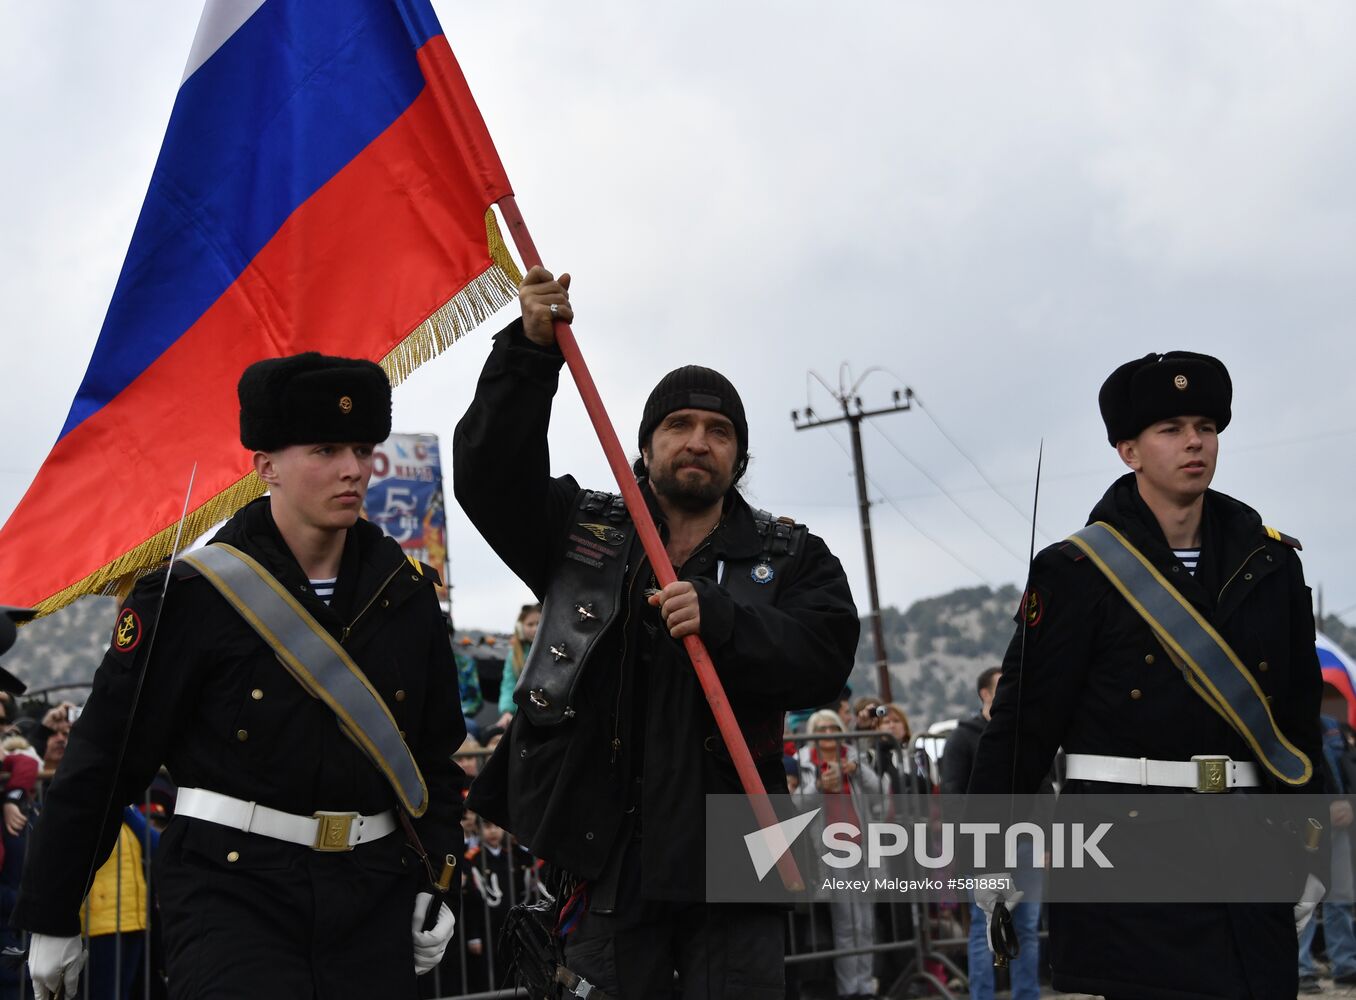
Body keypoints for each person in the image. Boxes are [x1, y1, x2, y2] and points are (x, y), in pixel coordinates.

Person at [453, 266, 860, 998]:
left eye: (718, 430)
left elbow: (826, 659)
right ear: (643, 448)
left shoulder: (792, 554)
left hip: (744, 847)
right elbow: (490, 477)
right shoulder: (584, 533)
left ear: (739, 457)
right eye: (678, 425)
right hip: (606, 845)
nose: (698, 441)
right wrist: (528, 352)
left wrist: (727, 622)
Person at [15, 353, 465, 999]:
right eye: (326, 448)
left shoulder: (408, 593)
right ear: (266, 467)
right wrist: (52, 913)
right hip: (231, 894)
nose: (353, 470)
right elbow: (105, 757)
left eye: (364, 449)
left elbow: (434, 758)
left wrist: (437, 880)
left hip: (373, 895)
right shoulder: (190, 595)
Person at [967, 351, 1324, 999]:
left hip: (1249, 848)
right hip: (1131, 857)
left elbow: (1299, 721)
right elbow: (1025, 724)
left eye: (1206, 426)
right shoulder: (1077, 571)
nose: (1195, 442)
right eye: (1171, 429)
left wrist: (1312, 845)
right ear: (1127, 449)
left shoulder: (1270, 562)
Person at [944, 667, 1041, 1000]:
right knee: (985, 926)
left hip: (1027, 845)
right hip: (986, 846)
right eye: (1003, 685)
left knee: (1027, 929)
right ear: (985, 693)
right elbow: (952, 793)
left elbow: (1043, 788)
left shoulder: (1024, 735)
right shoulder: (964, 737)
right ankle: (981, 996)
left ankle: (1026, 996)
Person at [795, 709, 882, 1000]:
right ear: (812, 732)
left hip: (862, 847)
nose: (829, 735)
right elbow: (797, 806)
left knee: (866, 923)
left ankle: (866, 984)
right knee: (847, 924)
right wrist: (819, 786)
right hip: (831, 851)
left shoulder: (853, 755)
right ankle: (850, 990)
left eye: (833, 728)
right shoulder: (804, 761)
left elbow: (878, 790)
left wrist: (857, 769)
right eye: (822, 729)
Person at [1298, 690, 1356, 992]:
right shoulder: (1289, 727)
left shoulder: (1333, 727)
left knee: (1342, 897)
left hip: (1340, 824)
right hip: (1308, 823)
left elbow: (1349, 769)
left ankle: (1346, 964)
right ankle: (1301, 968)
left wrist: (1350, 804)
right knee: (1304, 894)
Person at [495, 603, 540, 729]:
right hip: (522, 715)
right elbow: (509, 684)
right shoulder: (514, 655)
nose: (535, 628)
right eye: (530, 624)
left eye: (539, 623)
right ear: (520, 627)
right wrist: (507, 711)